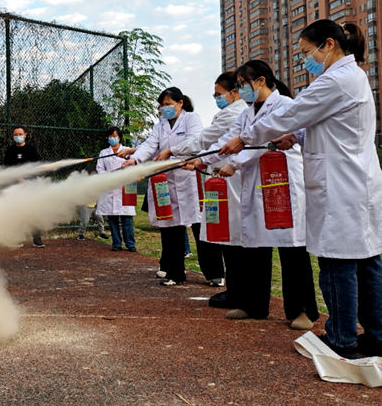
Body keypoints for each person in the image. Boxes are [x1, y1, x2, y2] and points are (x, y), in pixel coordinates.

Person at [221, 20, 382, 357]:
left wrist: (245, 138)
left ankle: (342, 339)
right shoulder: (352, 77)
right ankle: (376, 334)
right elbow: (329, 126)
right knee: (366, 261)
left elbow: (291, 114)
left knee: (337, 262)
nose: (306, 60)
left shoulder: (334, 80)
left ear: (328, 44)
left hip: (340, 184)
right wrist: (296, 137)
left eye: (307, 52)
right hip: (355, 179)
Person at [190, 60, 319, 330]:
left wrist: (234, 163)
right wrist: (202, 159)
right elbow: (229, 138)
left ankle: (302, 310)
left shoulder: (283, 104)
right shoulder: (248, 112)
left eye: (243, 84)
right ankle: (255, 305)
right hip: (256, 183)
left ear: (260, 81)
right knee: (256, 245)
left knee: (291, 247)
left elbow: (262, 141)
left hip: (280, 183)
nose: (241, 90)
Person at [157, 72, 248, 304]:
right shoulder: (230, 113)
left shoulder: (234, 114)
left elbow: (205, 139)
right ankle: (235, 291)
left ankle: (233, 288)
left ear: (234, 92)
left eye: (218, 94)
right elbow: (218, 145)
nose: (216, 98)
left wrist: (176, 151)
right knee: (225, 234)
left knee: (230, 235)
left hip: (231, 179)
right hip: (218, 177)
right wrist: (200, 160)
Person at [121, 87, 203, 285]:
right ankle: (174, 272)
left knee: (186, 227)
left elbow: (195, 141)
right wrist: (135, 159)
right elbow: (150, 145)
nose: (164, 108)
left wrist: (171, 151)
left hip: (185, 178)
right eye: (162, 105)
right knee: (168, 227)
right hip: (164, 181)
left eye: (168, 104)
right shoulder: (160, 126)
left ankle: (189, 273)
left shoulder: (191, 119)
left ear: (180, 103)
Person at [3, 126, 45, 248]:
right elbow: (7, 168)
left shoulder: (31, 149)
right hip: (15, 187)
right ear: (13, 136)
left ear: (25, 135)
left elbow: (37, 167)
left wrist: (28, 180)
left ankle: (37, 238)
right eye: (16, 134)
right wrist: (17, 178)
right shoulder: (10, 150)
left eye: (20, 134)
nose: (18, 136)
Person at [96, 127, 137, 252]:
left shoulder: (127, 151)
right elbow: (100, 168)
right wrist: (108, 177)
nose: (112, 138)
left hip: (126, 186)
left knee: (127, 217)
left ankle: (130, 244)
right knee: (112, 217)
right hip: (110, 186)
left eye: (114, 136)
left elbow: (135, 164)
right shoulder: (104, 152)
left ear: (119, 137)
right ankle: (116, 243)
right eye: (110, 136)